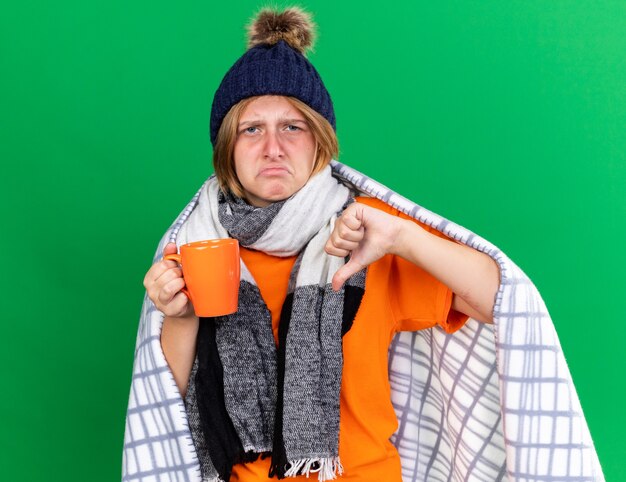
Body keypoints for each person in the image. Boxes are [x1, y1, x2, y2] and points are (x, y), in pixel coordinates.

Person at [126, 6, 604, 482]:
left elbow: (503, 303)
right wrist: (180, 316)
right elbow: (171, 416)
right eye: (252, 129)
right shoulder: (197, 243)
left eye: (292, 126)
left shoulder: (368, 232)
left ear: (320, 141)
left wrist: (403, 237)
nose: (272, 147)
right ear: (227, 145)